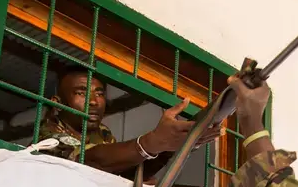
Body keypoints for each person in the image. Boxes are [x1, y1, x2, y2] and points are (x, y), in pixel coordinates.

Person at [37, 65, 221, 180]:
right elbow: (92, 160)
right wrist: (152, 141)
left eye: (100, 94)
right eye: (81, 92)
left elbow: (126, 172)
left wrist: (170, 148)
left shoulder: (102, 132)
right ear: (58, 104)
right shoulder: (48, 135)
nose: (94, 101)